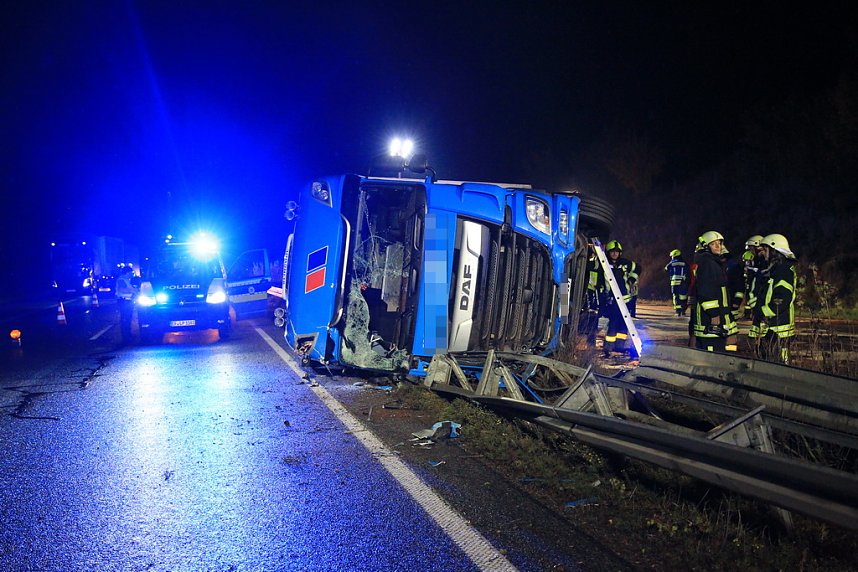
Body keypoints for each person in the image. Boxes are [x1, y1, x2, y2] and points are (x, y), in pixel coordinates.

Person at [749, 233, 797, 364]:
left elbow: (782, 299)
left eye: (766, 249)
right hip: (773, 325)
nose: (763, 253)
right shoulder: (775, 269)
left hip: (779, 326)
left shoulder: (783, 270)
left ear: (774, 250)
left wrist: (762, 312)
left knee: (780, 364)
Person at [692, 231, 735, 352]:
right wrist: (713, 313)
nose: (718, 246)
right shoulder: (708, 263)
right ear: (706, 247)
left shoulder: (713, 262)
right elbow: (706, 289)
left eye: (719, 243)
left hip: (715, 318)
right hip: (709, 320)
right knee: (711, 354)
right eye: (713, 244)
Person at [601, 240, 639, 358]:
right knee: (613, 324)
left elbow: (637, 268)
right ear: (608, 253)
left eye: (617, 252)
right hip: (612, 300)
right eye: (612, 252)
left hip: (625, 299)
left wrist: (631, 279)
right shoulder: (604, 263)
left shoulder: (625, 263)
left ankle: (619, 346)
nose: (614, 254)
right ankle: (608, 347)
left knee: (623, 325)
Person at [578, 244, 605, 347]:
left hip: (590, 295)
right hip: (577, 294)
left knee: (591, 318)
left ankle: (587, 345)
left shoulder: (596, 263)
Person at [115, 264, 138, 343]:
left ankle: (128, 336)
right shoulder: (122, 279)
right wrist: (133, 291)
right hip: (124, 301)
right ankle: (126, 338)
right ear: (127, 272)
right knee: (125, 319)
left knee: (127, 319)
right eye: (131, 272)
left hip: (127, 301)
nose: (132, 274)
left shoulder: (126, 280)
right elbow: (122, 290)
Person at [664, 249, 688, 316]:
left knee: (676, 296)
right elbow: (688, 271)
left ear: (674, 256)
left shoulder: (672, 262)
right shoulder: (684, 263)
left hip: (674, 282)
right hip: (683, 282)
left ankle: (678, 311)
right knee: (683, 296)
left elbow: (666, 269)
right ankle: (683, 311)